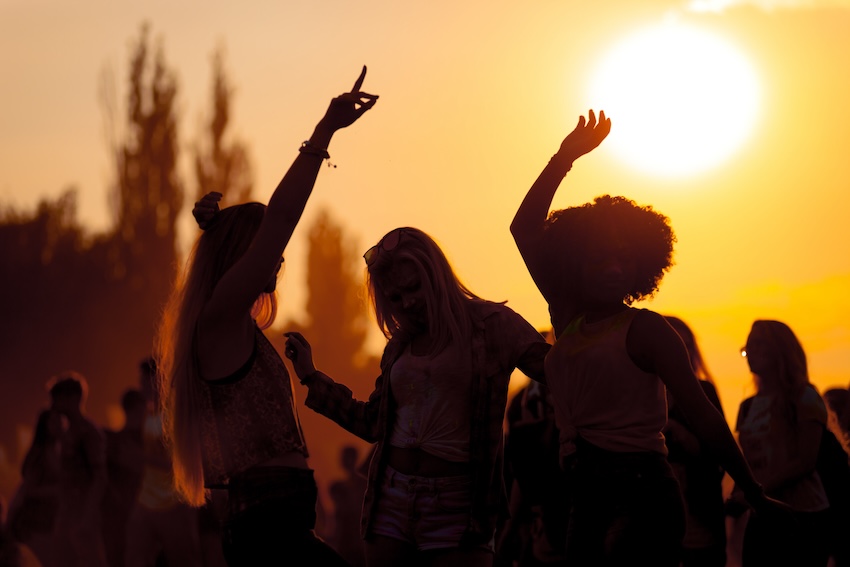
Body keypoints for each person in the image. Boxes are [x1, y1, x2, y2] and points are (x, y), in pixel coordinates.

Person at [509, 109, 788, 566]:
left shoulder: (647, 330)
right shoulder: (568, 316)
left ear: (642, 266)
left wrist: (752, 492)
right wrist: (564, 158)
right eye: (601, 259)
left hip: (641, 488)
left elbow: (702, 413)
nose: (615, 268)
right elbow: (523, 229)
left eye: (624, 259)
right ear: (576, 264)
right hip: (582, 490)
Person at [155, 67, 377, 567]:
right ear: (241, 254)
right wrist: (323, 132)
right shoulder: (218, 321)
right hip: (269, 532)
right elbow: (280, 219)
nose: (277, 257)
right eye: (264, 250)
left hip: (280, 525)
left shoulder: (232, 328)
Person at [284, 226, 550, 567]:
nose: (407, 302)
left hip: (459, 507)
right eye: (395, 297)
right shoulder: (399, 346)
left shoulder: (493, 325)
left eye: (414, 288)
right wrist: (310, 376)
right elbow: (372, 423)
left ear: (436, 274)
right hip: (389, 503)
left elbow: (555, 370)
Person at [734, 320, 833, 566]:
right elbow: (748, 460)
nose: (751, 353)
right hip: (762, 512)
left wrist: (758, 490)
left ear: (780, 350)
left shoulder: (804, 397)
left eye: (759, 345)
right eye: (747, 347)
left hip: (802, 514)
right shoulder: (747, 407)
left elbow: (806, 460)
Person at [663, 316, 727, 567]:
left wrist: (673, 428)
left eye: (686, 345)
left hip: (700, 507)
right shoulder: (641, 393)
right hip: (656, 510)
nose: (682, 352)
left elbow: (716, 451)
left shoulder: (704, 391)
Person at [124, 356, 202, 567]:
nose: (140, 386)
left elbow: (178, 463)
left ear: (157, 380)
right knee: (135, 558)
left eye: (144, 380)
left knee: (183, 560)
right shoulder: (147, 415)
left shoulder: (174, 416)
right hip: (146, 501)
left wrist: (142, 458)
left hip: (173, 503)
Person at [6, 409, 63, 567]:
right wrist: (57, 491)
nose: (60, 425)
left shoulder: (60, 451)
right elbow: (29, 489)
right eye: (55, 422)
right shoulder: (39, 454)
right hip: (37, 521)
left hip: (51, 519)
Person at [101, 387, 146, 567]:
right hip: (133, 512)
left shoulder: (111, 441)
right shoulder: (146, 442)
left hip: (117, 514)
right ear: (139, 408)